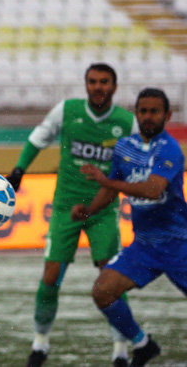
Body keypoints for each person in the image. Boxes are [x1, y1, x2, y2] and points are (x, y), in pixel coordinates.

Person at [5, 63, 138, 367]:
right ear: (85, 84)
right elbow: (39, 137)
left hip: (103, 211)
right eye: (92, 81)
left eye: (104, 82)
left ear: (114, 87)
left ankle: (120, 347)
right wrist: (18, 171)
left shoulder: (125, 122)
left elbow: (138, 162)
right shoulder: (67, 111)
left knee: (111, 279)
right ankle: (40, 343)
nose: (98, 87)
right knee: (51, 276)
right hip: (66, 207)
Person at [72, 87, 185, 367]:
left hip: (178, 243)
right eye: (143, 111)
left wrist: (107, 181)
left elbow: (152, 190)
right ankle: (143, 345)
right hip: (144, 245)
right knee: (102, 290)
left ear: (167, 115)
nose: (148, 117)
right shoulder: (124, 147)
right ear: (136, 113)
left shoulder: (170, 148)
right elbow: (110, 190)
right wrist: (88, 211)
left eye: (154, 111)